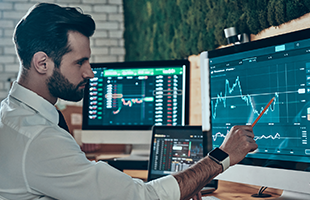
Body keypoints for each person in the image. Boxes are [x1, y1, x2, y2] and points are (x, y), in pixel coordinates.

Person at [0, 3, 258, 200]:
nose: (90, 72)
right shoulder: (38, 138)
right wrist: (221, 157)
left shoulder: (12, 116)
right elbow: (144, 198)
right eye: (80, 62)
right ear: (42, 63)